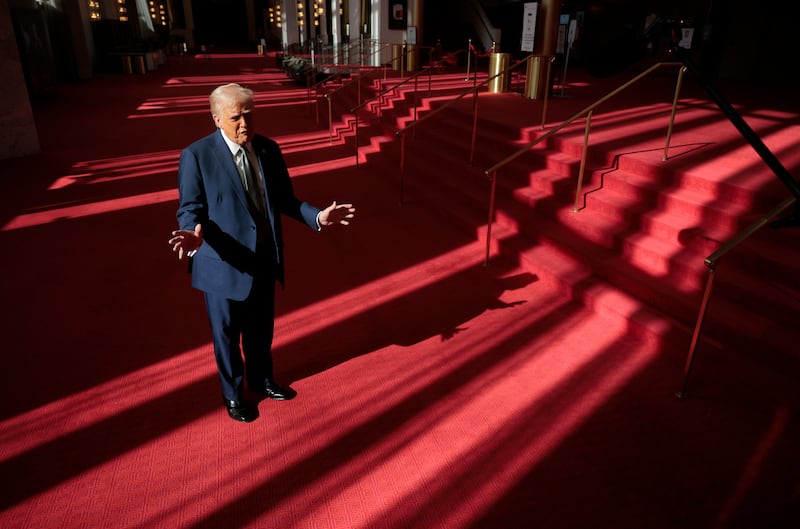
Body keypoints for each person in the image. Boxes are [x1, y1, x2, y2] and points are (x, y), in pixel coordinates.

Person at [168, 83, 355, 423]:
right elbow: (190, 206)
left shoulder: (268, 149)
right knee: (226, 335)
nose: (245, 124)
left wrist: (316, 216)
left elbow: (284, 198)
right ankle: (233, 395)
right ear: (216, 119)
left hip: (264, 257)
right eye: (235, 117)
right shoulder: (196, 155)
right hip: (222, 262)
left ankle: (262, 379)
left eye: (249, 115)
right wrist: (192, 232)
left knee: (261, 329)